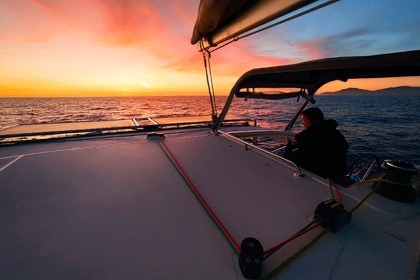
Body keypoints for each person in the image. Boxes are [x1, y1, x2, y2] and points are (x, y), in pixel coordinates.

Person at [285, 107, 349, 181]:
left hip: (318, 179)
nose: (303, 124)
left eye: (303, 122)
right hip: (337, 177)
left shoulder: (307, 138)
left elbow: (291, 157)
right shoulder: (336, 133)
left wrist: (289, 146)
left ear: (308, 121)